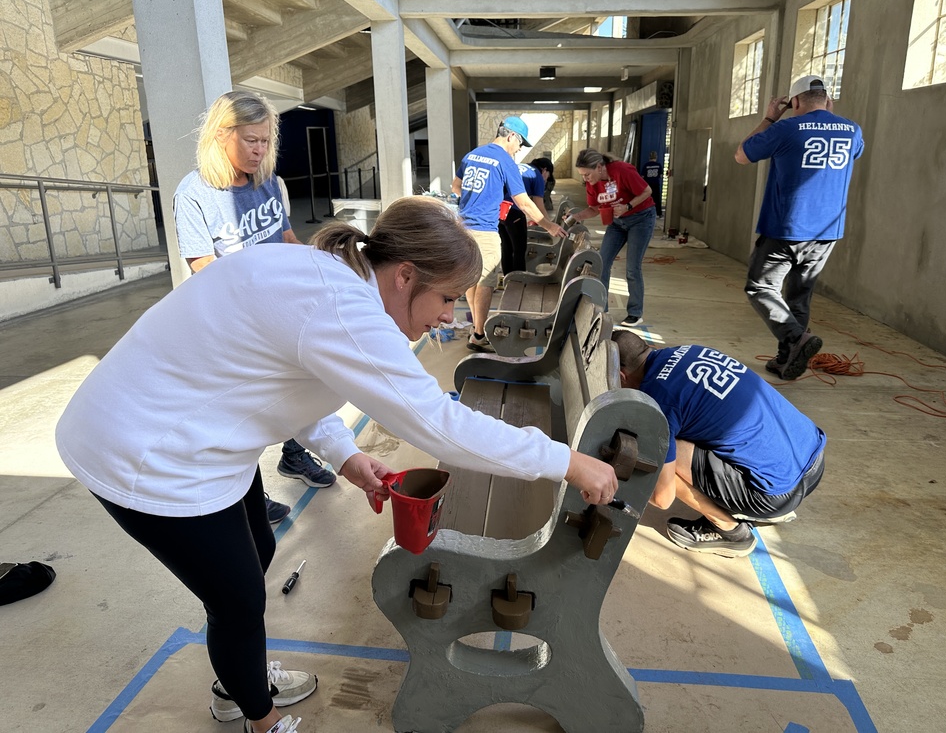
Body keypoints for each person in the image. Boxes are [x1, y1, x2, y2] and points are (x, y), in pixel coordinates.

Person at [55, 196, 619, 733]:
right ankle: (256, 714)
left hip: (195, 436)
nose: (448, 317)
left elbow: (291, 379)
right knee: (237, 598)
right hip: (145, 453)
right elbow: (435, 423)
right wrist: (564, 462)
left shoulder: (331, 279)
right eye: (446, 297)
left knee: (260, 552)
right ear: (404, 275)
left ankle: (238, 677)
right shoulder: (341, 306)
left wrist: (347, 456)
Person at [173, 91, 336, 518]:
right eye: (251, 140)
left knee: (304, 384)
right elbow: (204, 268)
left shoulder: (266, 181)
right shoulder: (194, 193)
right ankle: (245, 497)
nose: (260, 149)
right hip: (236, 322)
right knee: (241, 417)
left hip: (280, 308)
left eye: (265, 141)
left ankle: (294, 454)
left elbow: (286, 238)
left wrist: (321, 269)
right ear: (220, 134)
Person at [612, 330, 826, 558]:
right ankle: (754, 504)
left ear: (622, 376)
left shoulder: (658, 398)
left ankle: (729, 531)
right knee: (690, 424)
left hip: (777, 493)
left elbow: (663, 499)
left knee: (657, 451)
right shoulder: (689, 350)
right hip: (814, 459)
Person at [735, 75, 865, 380]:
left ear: (794, 102)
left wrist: (769, 117)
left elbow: (742, 155)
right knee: (799, 296)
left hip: (787, 226)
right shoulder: (852, 129)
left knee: (760, 286)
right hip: (827, 231)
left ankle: (796, 338)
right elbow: (852, 153)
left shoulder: (786, 127)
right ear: (827, 100)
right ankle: (788, 360)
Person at [451, 116, 567, 352]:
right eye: (520, 144)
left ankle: (477, 330)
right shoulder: (505, 160)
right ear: (511, 136)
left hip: (463, 227)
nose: (518, 150)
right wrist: (549, 225)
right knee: (485, 282)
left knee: (473, 281)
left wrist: (480, 199)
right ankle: (479, 335)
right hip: (484, 230)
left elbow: (456, 186)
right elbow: (523, 202)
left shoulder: (472, 154)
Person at [566, 148, 656, 327]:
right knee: (602, 263)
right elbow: (593, 209)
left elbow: (647, 191)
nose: (585, 178)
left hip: (641, 218)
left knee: (632, 267)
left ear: (599, 167)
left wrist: (628, 206)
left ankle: (635, 313)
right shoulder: (592, 183)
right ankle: (601, 309)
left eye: (587, 174)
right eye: (582, 175)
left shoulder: (622, 170)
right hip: (617, 223)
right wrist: (575, 216)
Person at [498, 157, 552, 275]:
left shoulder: (519, 166)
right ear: (544, 170)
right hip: (515, 211)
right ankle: (518, 280)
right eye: (548, 175)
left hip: (499, 209)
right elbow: (539, 205)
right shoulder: (536, 175)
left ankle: (507, 278)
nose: (546, 179)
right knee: (519, 249)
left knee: (506, 247)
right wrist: (550, 225)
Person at [642, 150, 664, 218]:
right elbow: (661, 176)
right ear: (656, 157)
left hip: (648, 185)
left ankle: (645, 213)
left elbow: (642, 176)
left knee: (646, 199)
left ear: (649, 157)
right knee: (657, 199)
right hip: (656, 184)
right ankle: (659, 213)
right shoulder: (658, 165)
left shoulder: (646, 165)